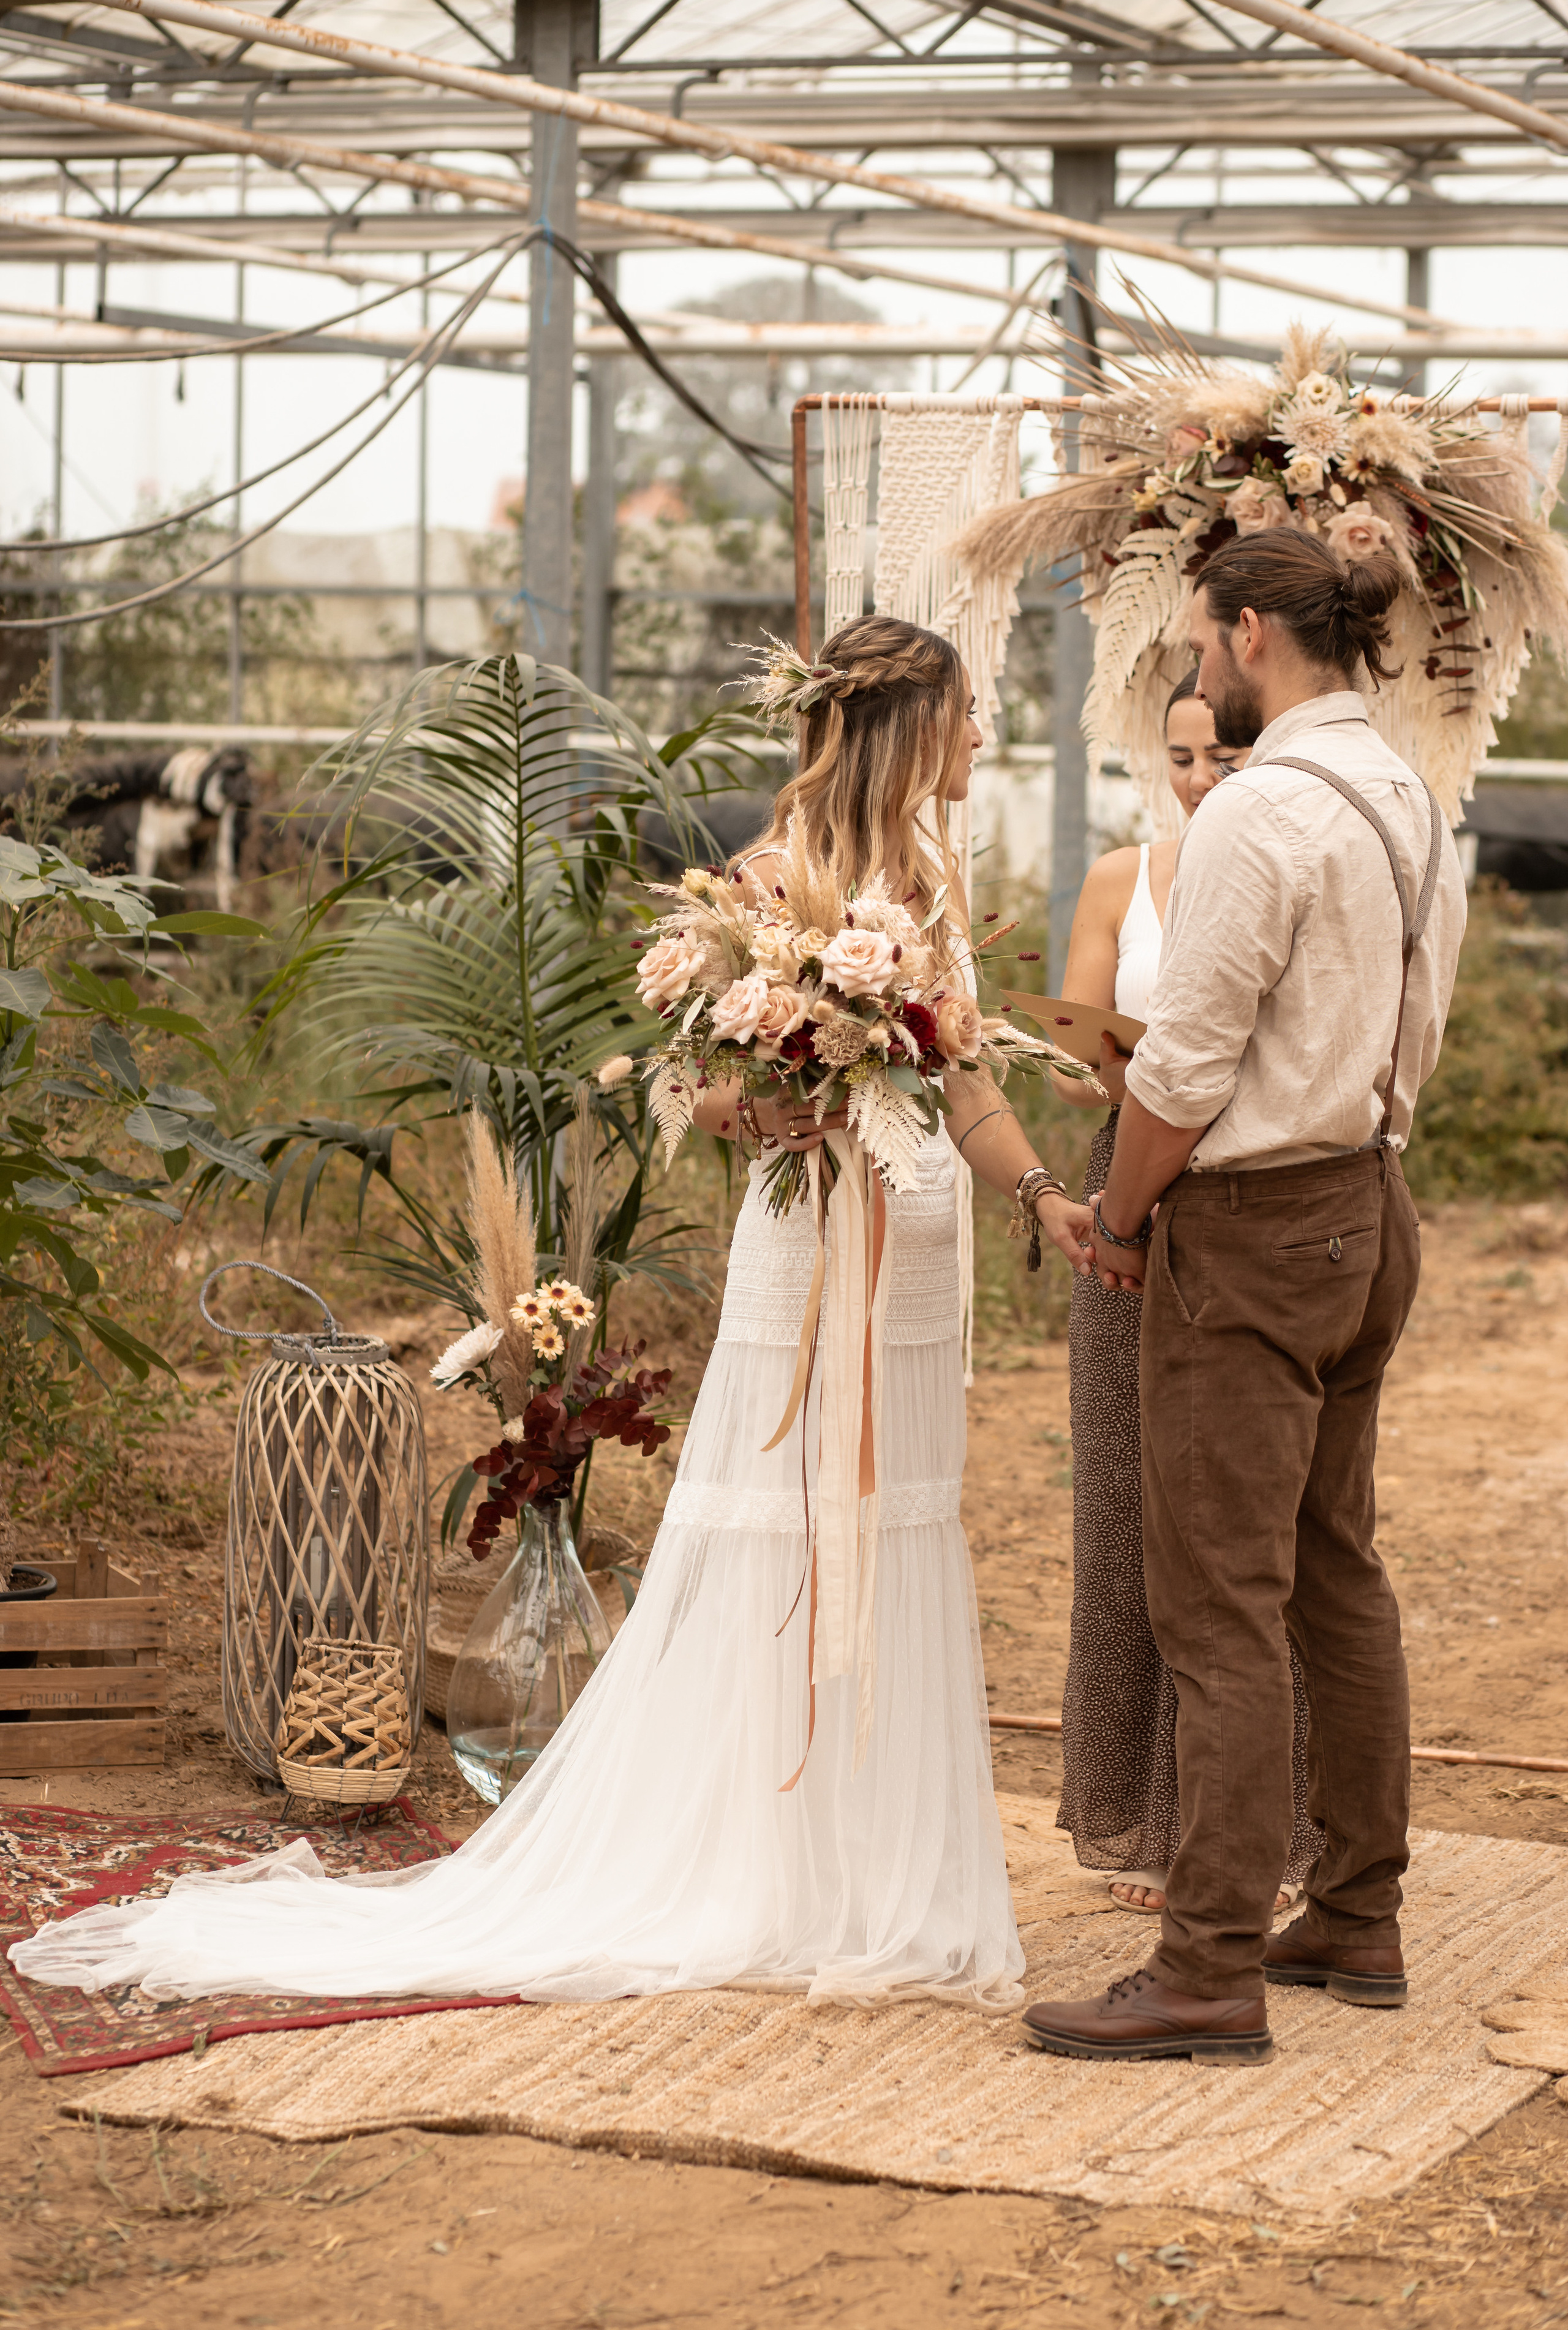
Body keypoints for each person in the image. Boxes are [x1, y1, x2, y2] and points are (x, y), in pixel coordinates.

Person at [11, 616, 1094, 2018]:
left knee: (897, 1518)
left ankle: (875, 1873)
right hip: (806, 1248)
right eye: (963, 713)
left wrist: (1044, 1196)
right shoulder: (765, 884)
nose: (980, 735)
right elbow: (678, 1082)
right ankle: (767, 1861)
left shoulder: (932, 895)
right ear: (898, 727)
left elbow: (971, 1089)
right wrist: (751, 1101)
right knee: (781, 1516)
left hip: (916, 1261)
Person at [1020, 526, 1466, 2067]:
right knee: (1332, 1567)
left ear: (1257, 629)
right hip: (1367, 1204)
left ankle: (1204, 1964)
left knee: (1214, 1600)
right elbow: (1416, 1017)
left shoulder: (1258, 811)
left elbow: (1186, 1060)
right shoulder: (1405, 793)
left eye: (1206, 637)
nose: (1199, 664)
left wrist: (1122, 1213)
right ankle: (1355, 1907)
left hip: (1253, 1228)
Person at [1050, 673, 1321, 1918]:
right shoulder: (1121, 879)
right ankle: (1143, 1818)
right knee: (1123, 1497)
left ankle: (1247, 1830)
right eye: (1177, 757)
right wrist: (1099, 1063)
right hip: (1130, 1179)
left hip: (1249, 1188)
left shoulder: (1287, 863)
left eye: (1217, 754)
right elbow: (1072, 1065)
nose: (1197, 777)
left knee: (1238, 1516)